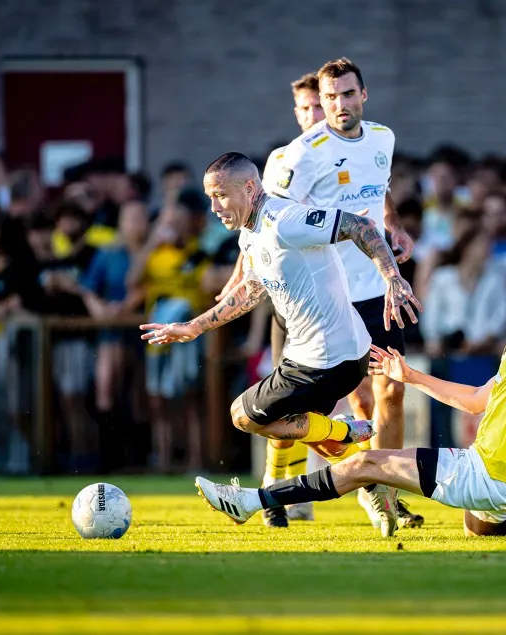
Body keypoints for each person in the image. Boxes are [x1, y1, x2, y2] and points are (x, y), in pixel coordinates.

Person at [194, 259, 506, 539]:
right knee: (479, 525)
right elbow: (474, 400)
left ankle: (251, 502)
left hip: (492, 469)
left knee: (364, 464)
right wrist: (409, 375)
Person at [140, 152, 422, 536]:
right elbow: (253, 289)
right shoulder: (250, 231)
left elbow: (360, 225)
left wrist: (391, 277)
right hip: (326, 356)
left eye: (221, 195)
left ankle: (344, 434)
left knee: (244, 415)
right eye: (210, 197)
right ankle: (373, 486)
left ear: (251, 188)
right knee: (305, 430)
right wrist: (193, 327)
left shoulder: (285, 220)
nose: (214, 206)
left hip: (326, 359)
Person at [260, 57, 423, 530]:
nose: (339, 105)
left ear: (364, 95)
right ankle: (285, 488)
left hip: (377, 289)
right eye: (330, 97)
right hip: (325, 296)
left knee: (391, 391)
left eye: (347, 94)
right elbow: (267, 220)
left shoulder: (382, 138)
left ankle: (387, 492)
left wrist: (392, 221)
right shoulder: (302, 154)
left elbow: (379, 188)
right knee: (322, 405)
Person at [218, 73, 326, 526]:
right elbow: (254, 229)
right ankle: (280, 493)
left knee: (369, 399)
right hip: (295, 305)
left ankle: (382, 493)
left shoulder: (362, 153)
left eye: (318, 106)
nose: (312, 116)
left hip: (352, 297)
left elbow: (376, 203)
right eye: (304, 109)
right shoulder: (283, 163)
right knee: (286, 404)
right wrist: (240, 277)